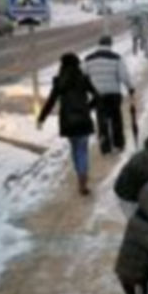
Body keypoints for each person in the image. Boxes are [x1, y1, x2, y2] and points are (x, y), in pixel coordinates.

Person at [38, 53, 99, 195]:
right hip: (83, 120)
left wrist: (41, 118)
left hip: (68, 122)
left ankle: (80, 175)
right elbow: (97, 96)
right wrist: (88, 108)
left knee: (75, 149)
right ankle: (83, 179)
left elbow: (50, 101)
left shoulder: (59, 82)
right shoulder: (83, 79)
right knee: (82, 150)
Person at [83, 35, 135, 155]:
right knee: (116, 119)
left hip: (97, 96)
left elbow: (82, 75)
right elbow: (123, 76)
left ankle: (105, 147)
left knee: (101, 120)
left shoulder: (88, 59)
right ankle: (119, 144)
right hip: (113, 94)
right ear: (110, 45)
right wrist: (130, 88)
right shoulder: (116, 58)